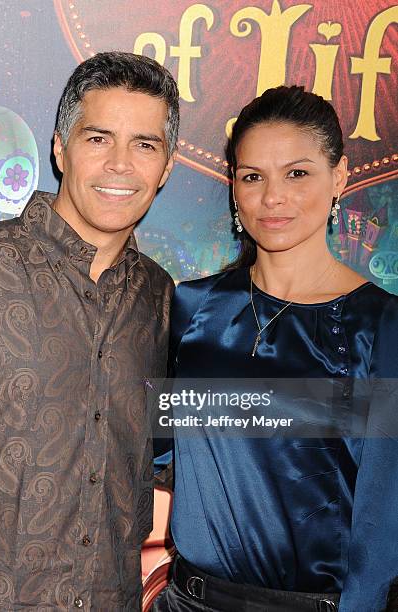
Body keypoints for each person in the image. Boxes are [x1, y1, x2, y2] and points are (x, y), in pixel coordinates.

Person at [0, 51, 178, 610]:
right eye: (98, 138)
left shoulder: (160, 299)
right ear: (59, 147)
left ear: (165, 167)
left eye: (144, 144)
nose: (120, 164)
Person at [153, 86, 398, 611]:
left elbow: (381, 526)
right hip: (186, 601)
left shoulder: (380, 326)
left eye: (298, 173)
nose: (273, 197)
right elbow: (154, 450)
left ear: (339, 178)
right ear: (234, 187)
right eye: (253, 177)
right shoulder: (192, 306)